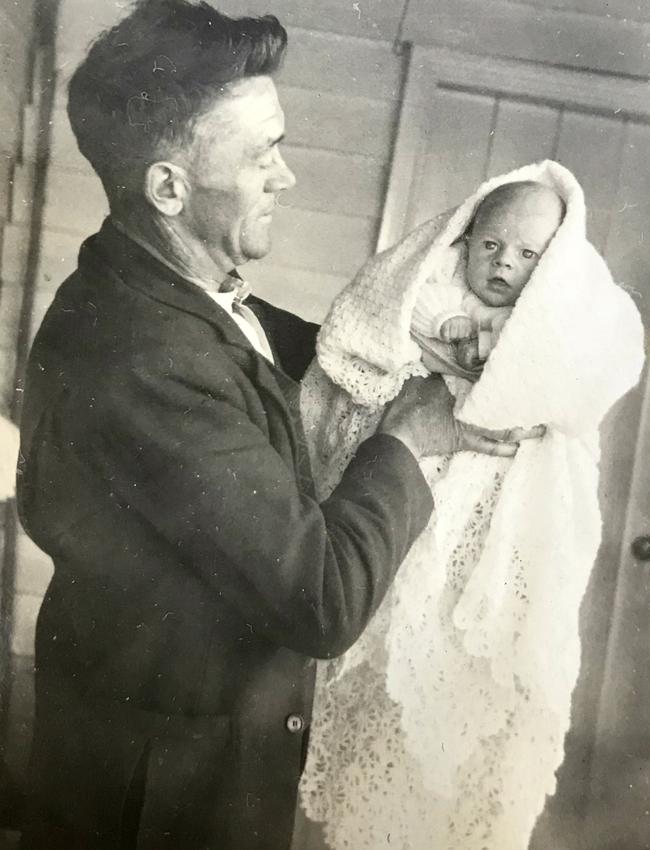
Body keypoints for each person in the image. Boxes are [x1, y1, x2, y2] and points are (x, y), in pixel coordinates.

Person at [15, 3, 535, 849]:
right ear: (169, 188)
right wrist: (410, 439)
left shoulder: (172, 293)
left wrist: (425, 339)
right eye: (262, 153)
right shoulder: (144, 357)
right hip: (159, 804)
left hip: (192, 762)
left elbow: (292, 357)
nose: (286, 176)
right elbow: (321, 598)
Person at [297, 160, 644, 850]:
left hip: (514, 493)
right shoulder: (439, 284)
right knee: (399, 640)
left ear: (554, 261)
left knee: (481, 672)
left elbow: (586, 365)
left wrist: (493, 357)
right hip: (429, 482)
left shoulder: (565, 309)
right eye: (491, 245)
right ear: (464, 238)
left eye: (526, 254)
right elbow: (389, 316)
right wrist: (442, 336)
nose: (504, 264)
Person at [411, 180, 565, 370]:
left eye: (527, 254)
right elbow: (410, 292)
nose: (503, 260)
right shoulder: (452, 265)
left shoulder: (525, 314)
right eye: (490, 245)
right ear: (469, 240)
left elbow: (496, 333)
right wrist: (444, 317)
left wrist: (480, 348)